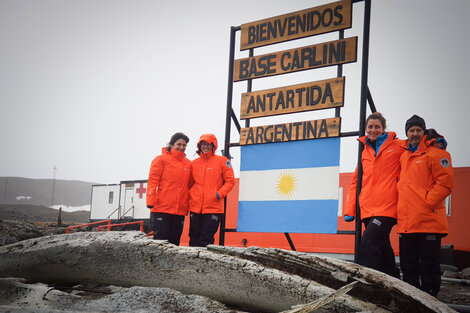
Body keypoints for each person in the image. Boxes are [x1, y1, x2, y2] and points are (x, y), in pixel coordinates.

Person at [397, 115, 454, 297]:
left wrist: (427, 202)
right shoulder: (404, 156)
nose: (414, 134)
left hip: (428, 221)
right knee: (408, 265)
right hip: (407, 223)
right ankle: (412, 299)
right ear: (406, 133)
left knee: (429, 265)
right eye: (411, 130)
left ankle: (430, 299)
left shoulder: (437, 154)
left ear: (424, 132)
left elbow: (445, 184)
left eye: (418, 130)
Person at [344, 112, 402, 277]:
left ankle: (361, 281)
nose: (373, 130)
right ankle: (394, 281)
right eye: (370, 127)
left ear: (383, 129)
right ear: (365, 129)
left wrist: (434, 142)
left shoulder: (398, 146)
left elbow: (417, 146)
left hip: (387, 209)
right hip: (368, 210)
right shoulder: (364, 152)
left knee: (368, 243)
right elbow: (356, 181)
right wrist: (350, 210)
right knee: (383, 248)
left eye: (377, 127)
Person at [189, 134, 235, 247]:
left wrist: (218, 195)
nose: (205, 147)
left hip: (213, 208)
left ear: (213, 145)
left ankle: (205, 264)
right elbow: (189, 184)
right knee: (193, 238)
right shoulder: (194, 163)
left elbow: (230, 181)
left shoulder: (222, 161)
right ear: (199, 146)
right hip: (195, 208)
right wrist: (192, 196)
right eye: (202, 144)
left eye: (208, 144)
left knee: (206, 239)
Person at [146, 132, 191, 245]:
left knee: (175, 243)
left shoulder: (188, 164)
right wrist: (150, 201)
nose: (181, 147)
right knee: (160, 243)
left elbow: (190, 186)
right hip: (162, 209)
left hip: (179, 210)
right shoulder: (161, 160)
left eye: (184, 145)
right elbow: (153, 181)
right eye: (178, 144)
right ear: (171, 145)